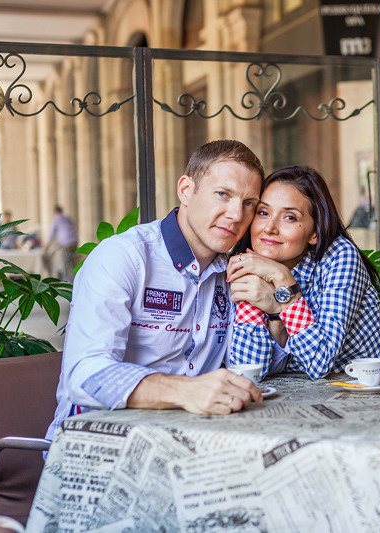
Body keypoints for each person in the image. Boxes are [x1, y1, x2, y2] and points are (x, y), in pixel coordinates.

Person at [45, 140, 265, 441]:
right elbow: (84, 376)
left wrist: (280, 298)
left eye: (249, 203)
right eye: (223, 194)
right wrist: (185, 391)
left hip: (192, 440)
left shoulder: (235, 270)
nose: (236, 215)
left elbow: (259, 364)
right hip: (97, 443)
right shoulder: (124, 257)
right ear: (186, 190)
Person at [226, 165, 380, 380]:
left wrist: (283, 286)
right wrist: (274, 311)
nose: (269, 228)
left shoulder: (339, 256)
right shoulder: (251, 266)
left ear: (314, 232)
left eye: (290, 218)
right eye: (263, 212)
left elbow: (319, 362)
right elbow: (249, 369)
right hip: (305, 403)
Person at [41, 205, 79, 281]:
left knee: (66, 262)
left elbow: (52, 233)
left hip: (66, 243)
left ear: (55, 212)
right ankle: (76, 277)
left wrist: (47, 244)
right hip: (74, 241)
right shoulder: (67, 218)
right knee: (74, 262)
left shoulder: (56, 219)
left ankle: (68, 281)